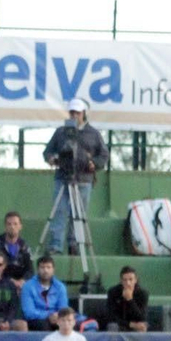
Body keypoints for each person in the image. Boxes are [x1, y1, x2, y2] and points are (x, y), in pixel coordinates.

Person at [42, 98, 107, 254]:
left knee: (78, 214)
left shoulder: (93, 134)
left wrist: (94, 164)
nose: (74, 116)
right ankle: (56, 245)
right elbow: (47, 151)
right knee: (59, 211)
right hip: (62, 178)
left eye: (77, 113)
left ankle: (75, 244)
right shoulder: (60, 132)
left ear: (83, 113)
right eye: (71, 112)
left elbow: (103, 155)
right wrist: (51, 159)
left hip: (84, 179)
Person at [20, 255, 69, 331]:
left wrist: (57, 316)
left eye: (48, 267)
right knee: (43, 325)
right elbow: (29, 312)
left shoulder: (60, 287)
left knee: (67, 324)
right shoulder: (28, 286)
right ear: (37, 270)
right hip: (36, 320)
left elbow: (63, 309)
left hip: (56, 318)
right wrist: (48, 315)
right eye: (42, 267)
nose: (45, 270)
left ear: (53, 270)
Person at [0, 212, 32, 287]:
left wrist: (23, 281)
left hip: (21, 284)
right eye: (9, 224)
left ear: (20, 226)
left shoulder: (24, 246)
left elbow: (30, 270)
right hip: (1, 283)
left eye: (15, 224)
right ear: (5, 226)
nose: (12, 227)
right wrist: (11, 282)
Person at [105, 265, 150, 332]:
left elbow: (142, 318)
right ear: (121, 281)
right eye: (125, 280)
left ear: (135, 280)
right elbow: (111, 317)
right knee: (112, 326)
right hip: (120, 324)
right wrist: (130, 324)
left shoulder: (142, 293)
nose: (128, 283)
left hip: (136, 323)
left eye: (130, 279)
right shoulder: (113, 292)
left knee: (142, 326)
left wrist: (130, 300)